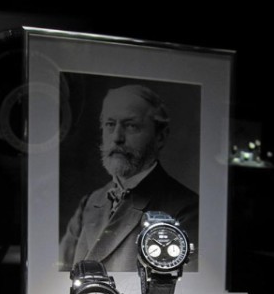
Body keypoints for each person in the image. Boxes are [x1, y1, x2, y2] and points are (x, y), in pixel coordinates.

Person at [59, 84, 199, 272]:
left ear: (160, 137)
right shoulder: (90, 203)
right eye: (110, 124)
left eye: (131, 126)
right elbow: (60, 275)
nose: (117, 137)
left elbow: (186, 283)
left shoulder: (187, 210)